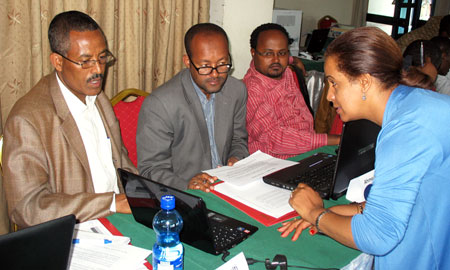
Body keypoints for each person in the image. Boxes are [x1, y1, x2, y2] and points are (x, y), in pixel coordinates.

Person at [278, 27, 450, 269]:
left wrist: (316, 215)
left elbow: (378, 236)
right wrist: (336, 214)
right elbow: (408, 196)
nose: (329, 96)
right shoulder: (419, 106)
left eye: (334, 83)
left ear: (365, 82)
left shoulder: (404, 131)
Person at [2, 11, 137, 228]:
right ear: (57, 61)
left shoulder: (97, 97)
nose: (98, 70)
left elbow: (122, 165)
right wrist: (110, 203)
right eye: (85, 62)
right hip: (72, 236)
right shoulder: (27, 120)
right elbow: (27, 208)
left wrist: (150, 197)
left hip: (117, 222)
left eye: (102, 58)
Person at [136, 23, 248, 192]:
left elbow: (238, 139)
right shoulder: (160, 104)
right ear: (187, 61)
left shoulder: (236, 90)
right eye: (204, 66)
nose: (215, 74)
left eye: (222, 63)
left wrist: (236, 158)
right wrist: (186, 185)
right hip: (185, 192)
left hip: (228, 187)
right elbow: (151, 168)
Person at [243, 23, 340, 159]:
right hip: (275, 163)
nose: (276, 60)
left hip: (307, 153)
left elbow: (279, 58)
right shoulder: (251, 91)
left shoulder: (285, 71)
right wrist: (330, 140)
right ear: (253, 53)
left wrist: (293, 60)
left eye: (282, 53)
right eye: (268, 53)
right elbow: (275, 138)